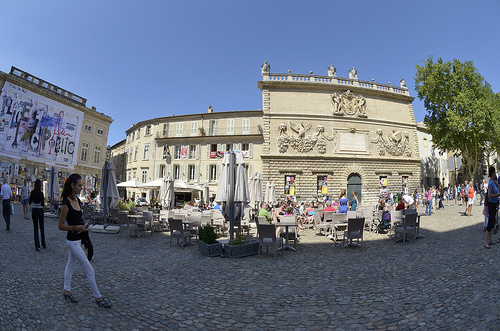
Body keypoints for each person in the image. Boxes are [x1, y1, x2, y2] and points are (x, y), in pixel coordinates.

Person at [58, 173, 111, 308]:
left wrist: (84, 226)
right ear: (72, 185)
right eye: (80, 185)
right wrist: (77, 227)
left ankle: (66, 290)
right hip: (72, 241)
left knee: (70, 265)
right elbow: (61, 226)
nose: (82, 187)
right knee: (89, 269)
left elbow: (77, 220)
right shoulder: (66, 204)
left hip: (78, 239)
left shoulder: (78, 201)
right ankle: (98, 298)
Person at [485, 167, 500, 249]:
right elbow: (490, 195)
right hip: (491, 204)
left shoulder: (494, 182)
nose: (495, 174)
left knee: (493, 222)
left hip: (494, 204)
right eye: (494, 173)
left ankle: (490, 240)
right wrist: (498, 195)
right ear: (492, 173)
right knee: (490, 223)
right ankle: (486, 242)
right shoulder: (490, 183)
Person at [29, 179, 46, 251]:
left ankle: (37, 245)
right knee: (42, 227)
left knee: (35, 228)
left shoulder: (32, 193)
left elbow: (29, 202)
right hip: (40, 210)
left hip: (34, 210)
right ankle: (43, 243)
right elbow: (42, 204)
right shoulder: (41, 193)